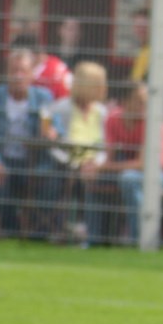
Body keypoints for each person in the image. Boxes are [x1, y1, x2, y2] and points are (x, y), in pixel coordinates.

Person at [0, 48, 59, 239]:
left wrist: (53, 134)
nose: (18, 76)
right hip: (3, 160)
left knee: (52, 179)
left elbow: (58, 129)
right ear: (7, 73)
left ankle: (40, 233)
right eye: (14, 71)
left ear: (31, 74)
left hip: (34, 163)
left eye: (23, 71)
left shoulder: (43, 98)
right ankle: (10, 232)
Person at [98, 82, 163, 244]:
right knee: (94, 178)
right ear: (124, 102)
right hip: (138, 172)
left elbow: (142, 164)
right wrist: (95, 169)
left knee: (129, 179)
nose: (145, 104)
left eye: (147, 100)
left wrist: (105, 167)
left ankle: (140, 239)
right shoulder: (112, 119)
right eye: (139, 100)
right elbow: (108, 159)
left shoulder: (151, 122)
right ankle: (95, 238)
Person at [47, 61, 110, 245]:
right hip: (65, 164)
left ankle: (91, 232)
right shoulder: (60, 109)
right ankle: (62, 228)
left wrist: (95, 163)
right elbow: (54, 144)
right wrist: (74, 162)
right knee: (63, 178)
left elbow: (106, 145)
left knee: (94, 178)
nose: (103, 88)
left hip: (94, 165)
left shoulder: (102, 112)